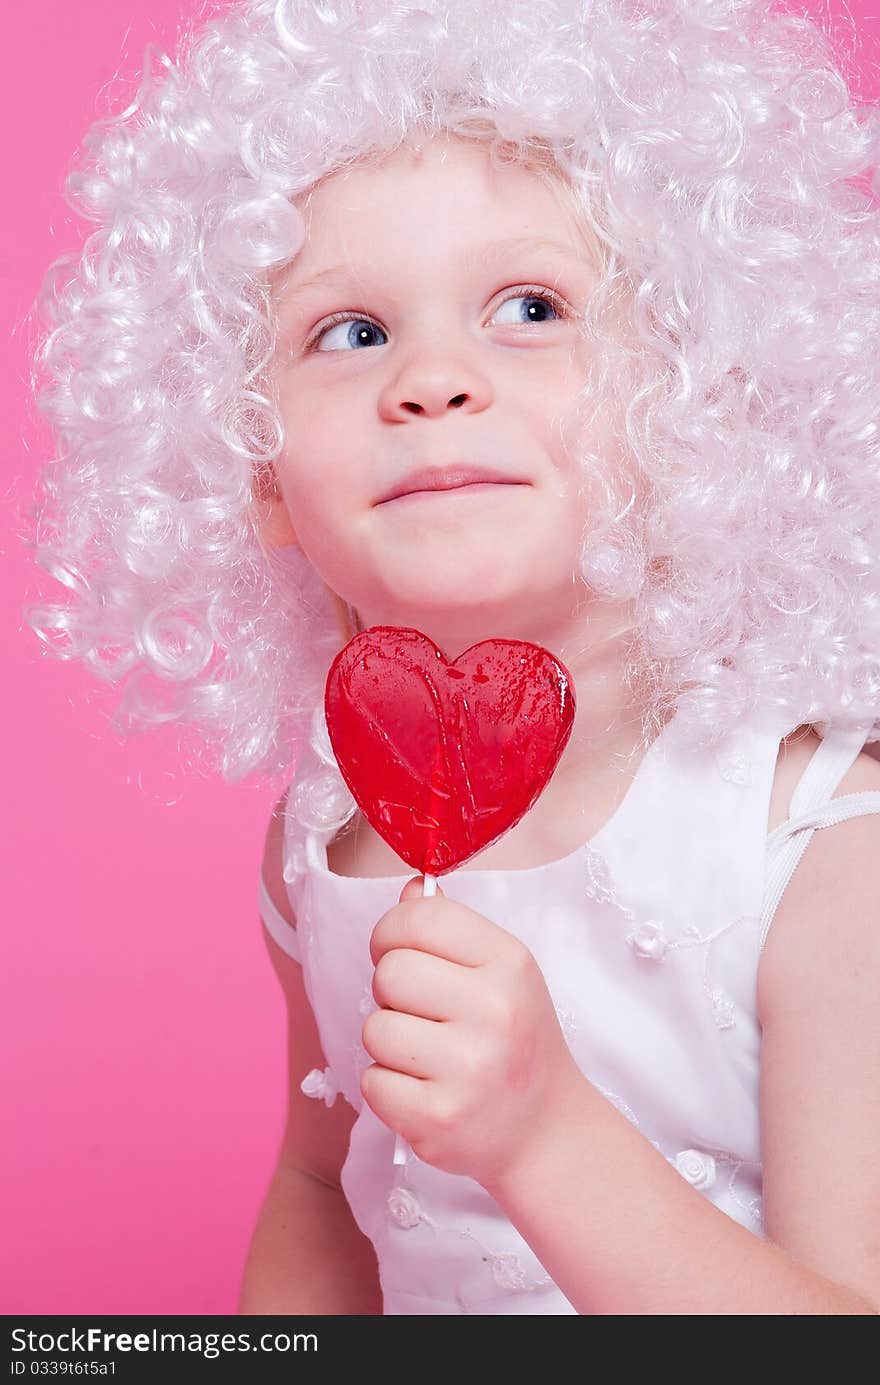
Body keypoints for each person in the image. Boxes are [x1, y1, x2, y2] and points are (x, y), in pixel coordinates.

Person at [24, 0, 880, 1315]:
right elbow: (319, 1190)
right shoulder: (326, 840)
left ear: (704, 398)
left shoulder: (819, 839)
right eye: (350, 331)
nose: (431, 377)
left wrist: (544, 1137)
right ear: (257, 463)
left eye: (529, 307)